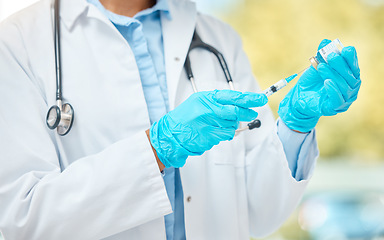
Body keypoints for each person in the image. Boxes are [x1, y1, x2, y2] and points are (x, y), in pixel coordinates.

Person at [0, 0, 361, 239]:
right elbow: (21, 218)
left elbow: (261, 210)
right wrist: (155, 150)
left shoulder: (218, 38)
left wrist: (297, 122)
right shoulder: (19, 43)